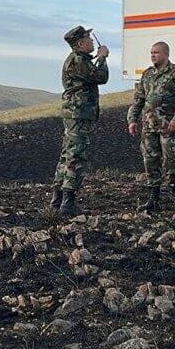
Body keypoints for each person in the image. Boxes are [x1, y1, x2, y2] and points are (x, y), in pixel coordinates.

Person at [127, 41, 175, 212]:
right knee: (150, 161)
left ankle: (174, 196)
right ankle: (153, 199)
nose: (153, 55)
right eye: (151, 52)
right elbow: (139, 99)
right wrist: (132, 120)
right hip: (149, 126)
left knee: (171, 161)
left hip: (168, 126)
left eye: (156, 52)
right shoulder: (147, 74)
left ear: (165, 54)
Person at [53, 25, 109, 217]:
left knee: (67, 154)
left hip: (74, 114)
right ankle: (67, 202)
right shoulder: (79, 61)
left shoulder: (78, 60)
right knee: (76, 155)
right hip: (78, 114)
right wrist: (102, 57)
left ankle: (57, 199)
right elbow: (101, 77)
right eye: (88, 39)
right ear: (80, 43)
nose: (92, 42)